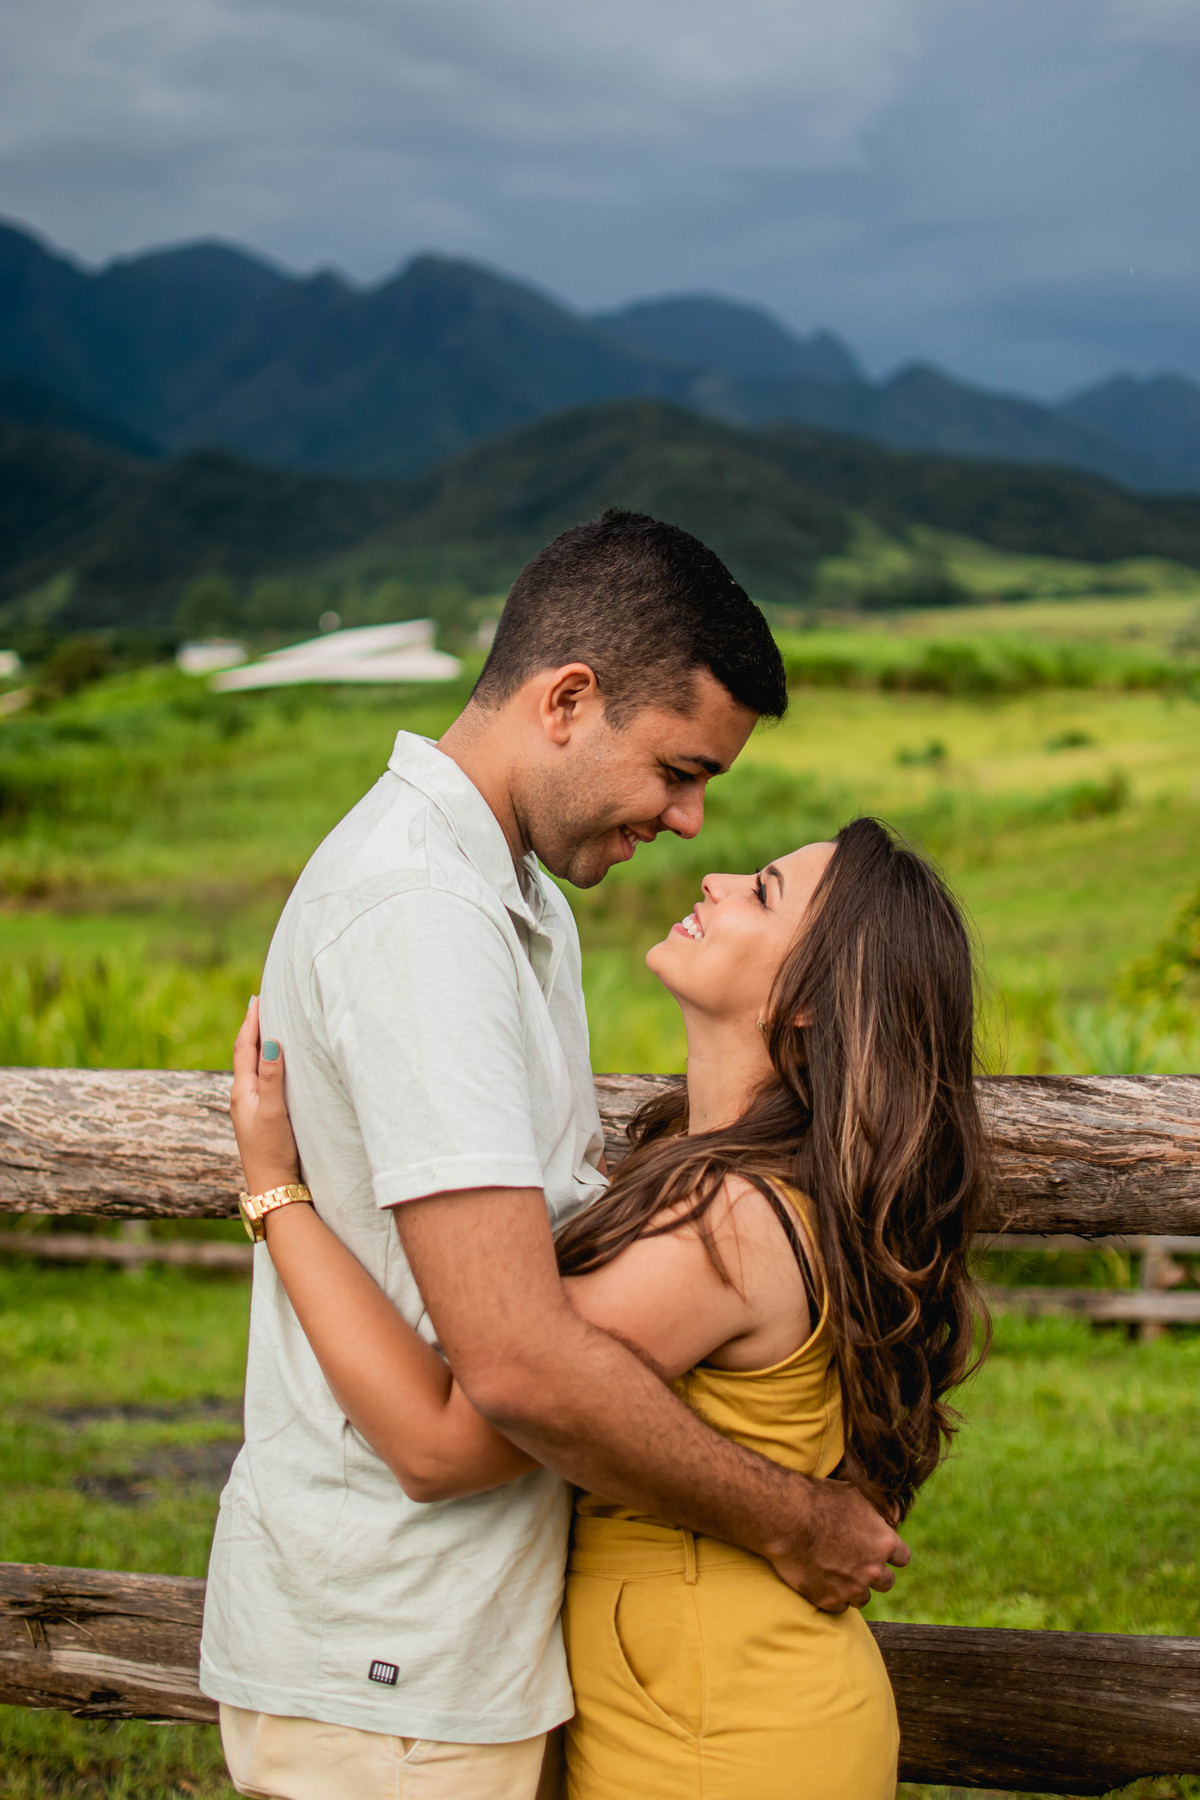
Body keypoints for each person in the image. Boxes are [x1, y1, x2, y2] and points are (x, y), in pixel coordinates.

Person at [199, 509, 908, 1800]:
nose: (690, 823)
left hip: (468, 1650)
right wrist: (795, 1518)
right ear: (568, 700)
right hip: (397, 1655)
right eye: (678, 770)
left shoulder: (517, 900)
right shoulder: (426, 915)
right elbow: (516, 1369)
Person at [229, 815, 989, 1799]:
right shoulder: (743, 1185)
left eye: (762, 892)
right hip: (699, 1702)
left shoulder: (727, 1225)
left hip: (725, 1734)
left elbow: (439, 1444)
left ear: (810, 1002)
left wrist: (276, 1193)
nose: (715, 878)